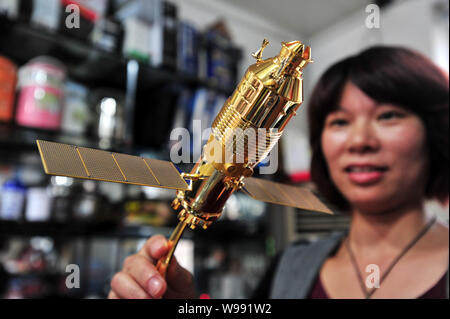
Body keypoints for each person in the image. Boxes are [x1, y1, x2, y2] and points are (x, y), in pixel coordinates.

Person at [108, 46, 449, 299]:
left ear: (435, 132)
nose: (359, 141)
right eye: (340, 122)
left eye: (388, 116)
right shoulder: (291, 267)